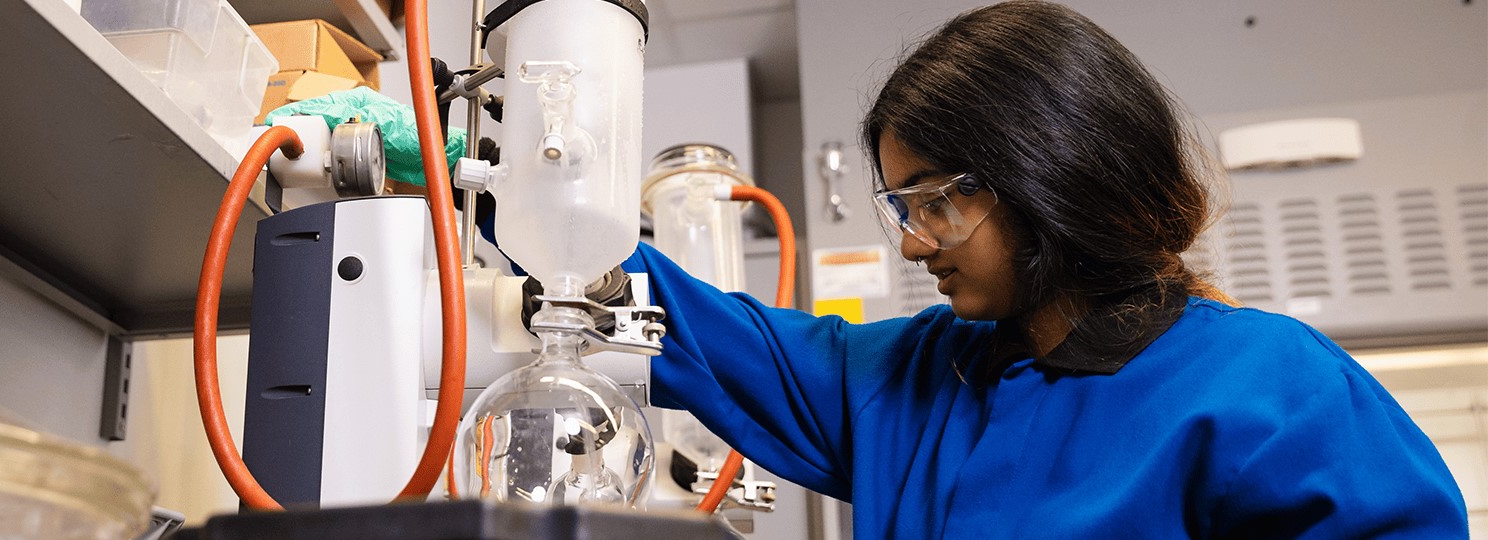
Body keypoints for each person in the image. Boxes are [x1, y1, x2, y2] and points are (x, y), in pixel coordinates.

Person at [620, 1, 1468, 537]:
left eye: (935, 202)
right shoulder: (905, 377)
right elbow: (677, 320)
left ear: (1049, 176)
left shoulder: (1270, 386)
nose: (914, 245)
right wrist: (541, 190)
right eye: (903, 210)